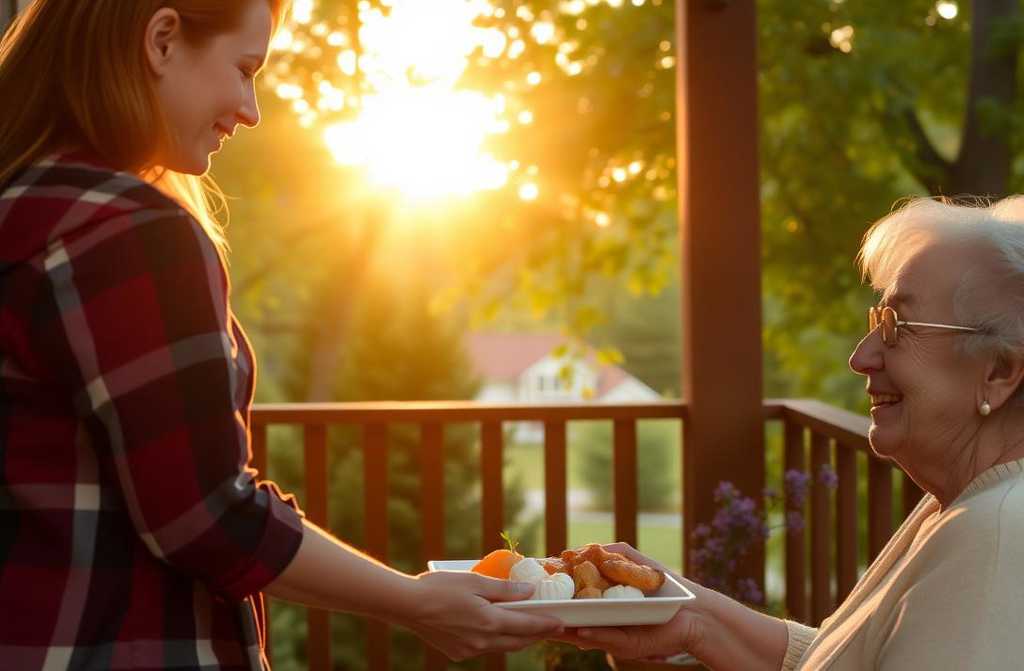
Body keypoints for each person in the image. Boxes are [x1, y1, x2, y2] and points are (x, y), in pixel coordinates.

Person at [0, 1, 562, 669]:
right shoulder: (132, 233)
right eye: (244, 69)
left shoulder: (22, 209)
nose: (250, 108)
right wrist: (413, 601)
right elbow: (204, 515)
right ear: (161, 40)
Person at [558, 196, 1024, 669]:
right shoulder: (963, 504)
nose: (861, 357)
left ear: (1000, 370)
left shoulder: (998, 534)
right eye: (876, 321)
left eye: (896, 326)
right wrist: (694, 618)